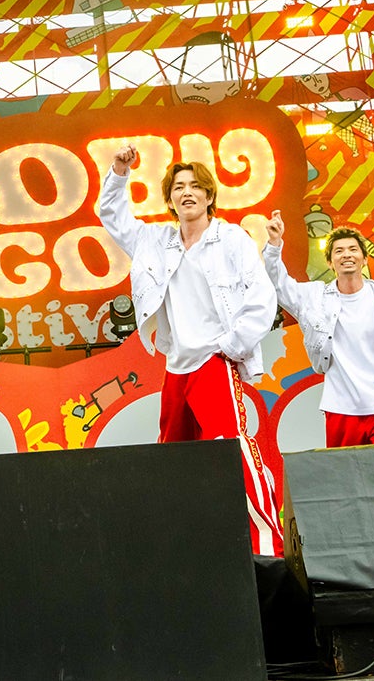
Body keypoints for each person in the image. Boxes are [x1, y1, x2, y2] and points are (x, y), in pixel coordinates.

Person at [96, 145, 285, 555]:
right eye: (178, 187)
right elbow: (112, 215)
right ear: (169, 199)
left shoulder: (230, 238)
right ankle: (186, 549)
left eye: (196, 186)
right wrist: (119, 172)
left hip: (213, 361)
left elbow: (262, 297)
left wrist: (230, 347)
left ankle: (266, 546)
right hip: (176, 367)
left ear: (209, 195)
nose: (187, 193)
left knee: (232, 449)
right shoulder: (156, 241)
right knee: (175, 461)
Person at [263, 211, 374, 447]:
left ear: (364, 259)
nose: (347, 255)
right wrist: (274, 245)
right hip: (340, 407)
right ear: (330, 262)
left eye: (353, 249)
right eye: (339, 251)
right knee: (343, 471)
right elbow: (279, 285)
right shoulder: (316, 298)